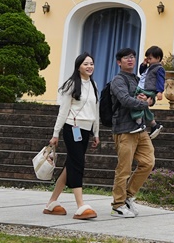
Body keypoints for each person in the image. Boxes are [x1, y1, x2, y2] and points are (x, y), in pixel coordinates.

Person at [44, 52, 100, 220]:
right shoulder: (71, 84)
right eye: (85, 64)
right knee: (77, 164)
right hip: (72, 127)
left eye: (91, 63)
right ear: (78, 67)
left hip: (86, 130)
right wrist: (55, 134)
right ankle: (80, 205)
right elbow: (63, 111)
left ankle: (51, 203)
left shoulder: (94, 85)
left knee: (71, 165)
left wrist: (96, 133)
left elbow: (95, 111)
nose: (89, 66)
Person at [109, 47, 156, 218]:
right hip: (124, 130)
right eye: (126, 58)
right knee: (124, 169)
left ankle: (128, 197)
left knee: (148, 162)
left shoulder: (138, 79)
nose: (130, 60)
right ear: (119, 62)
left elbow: (148, 97)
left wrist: (149, 99)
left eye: (133, 57)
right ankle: (117, 205)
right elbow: (125, 100)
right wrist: (144, 103)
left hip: (140, 129)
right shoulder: (118, 80)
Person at [132, 46, 165, 139]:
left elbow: (160, 80)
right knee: (142, 105)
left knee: (138, 103)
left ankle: (139, 123)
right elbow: (142, 73)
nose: (148, 60)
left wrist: (159, 91)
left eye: (150, 58)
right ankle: (153, 124)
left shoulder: (159, 69)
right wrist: (143, 64)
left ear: (158, 58)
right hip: (142, 88)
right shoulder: (149, 67)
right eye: (147, 58)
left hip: (148, 90)